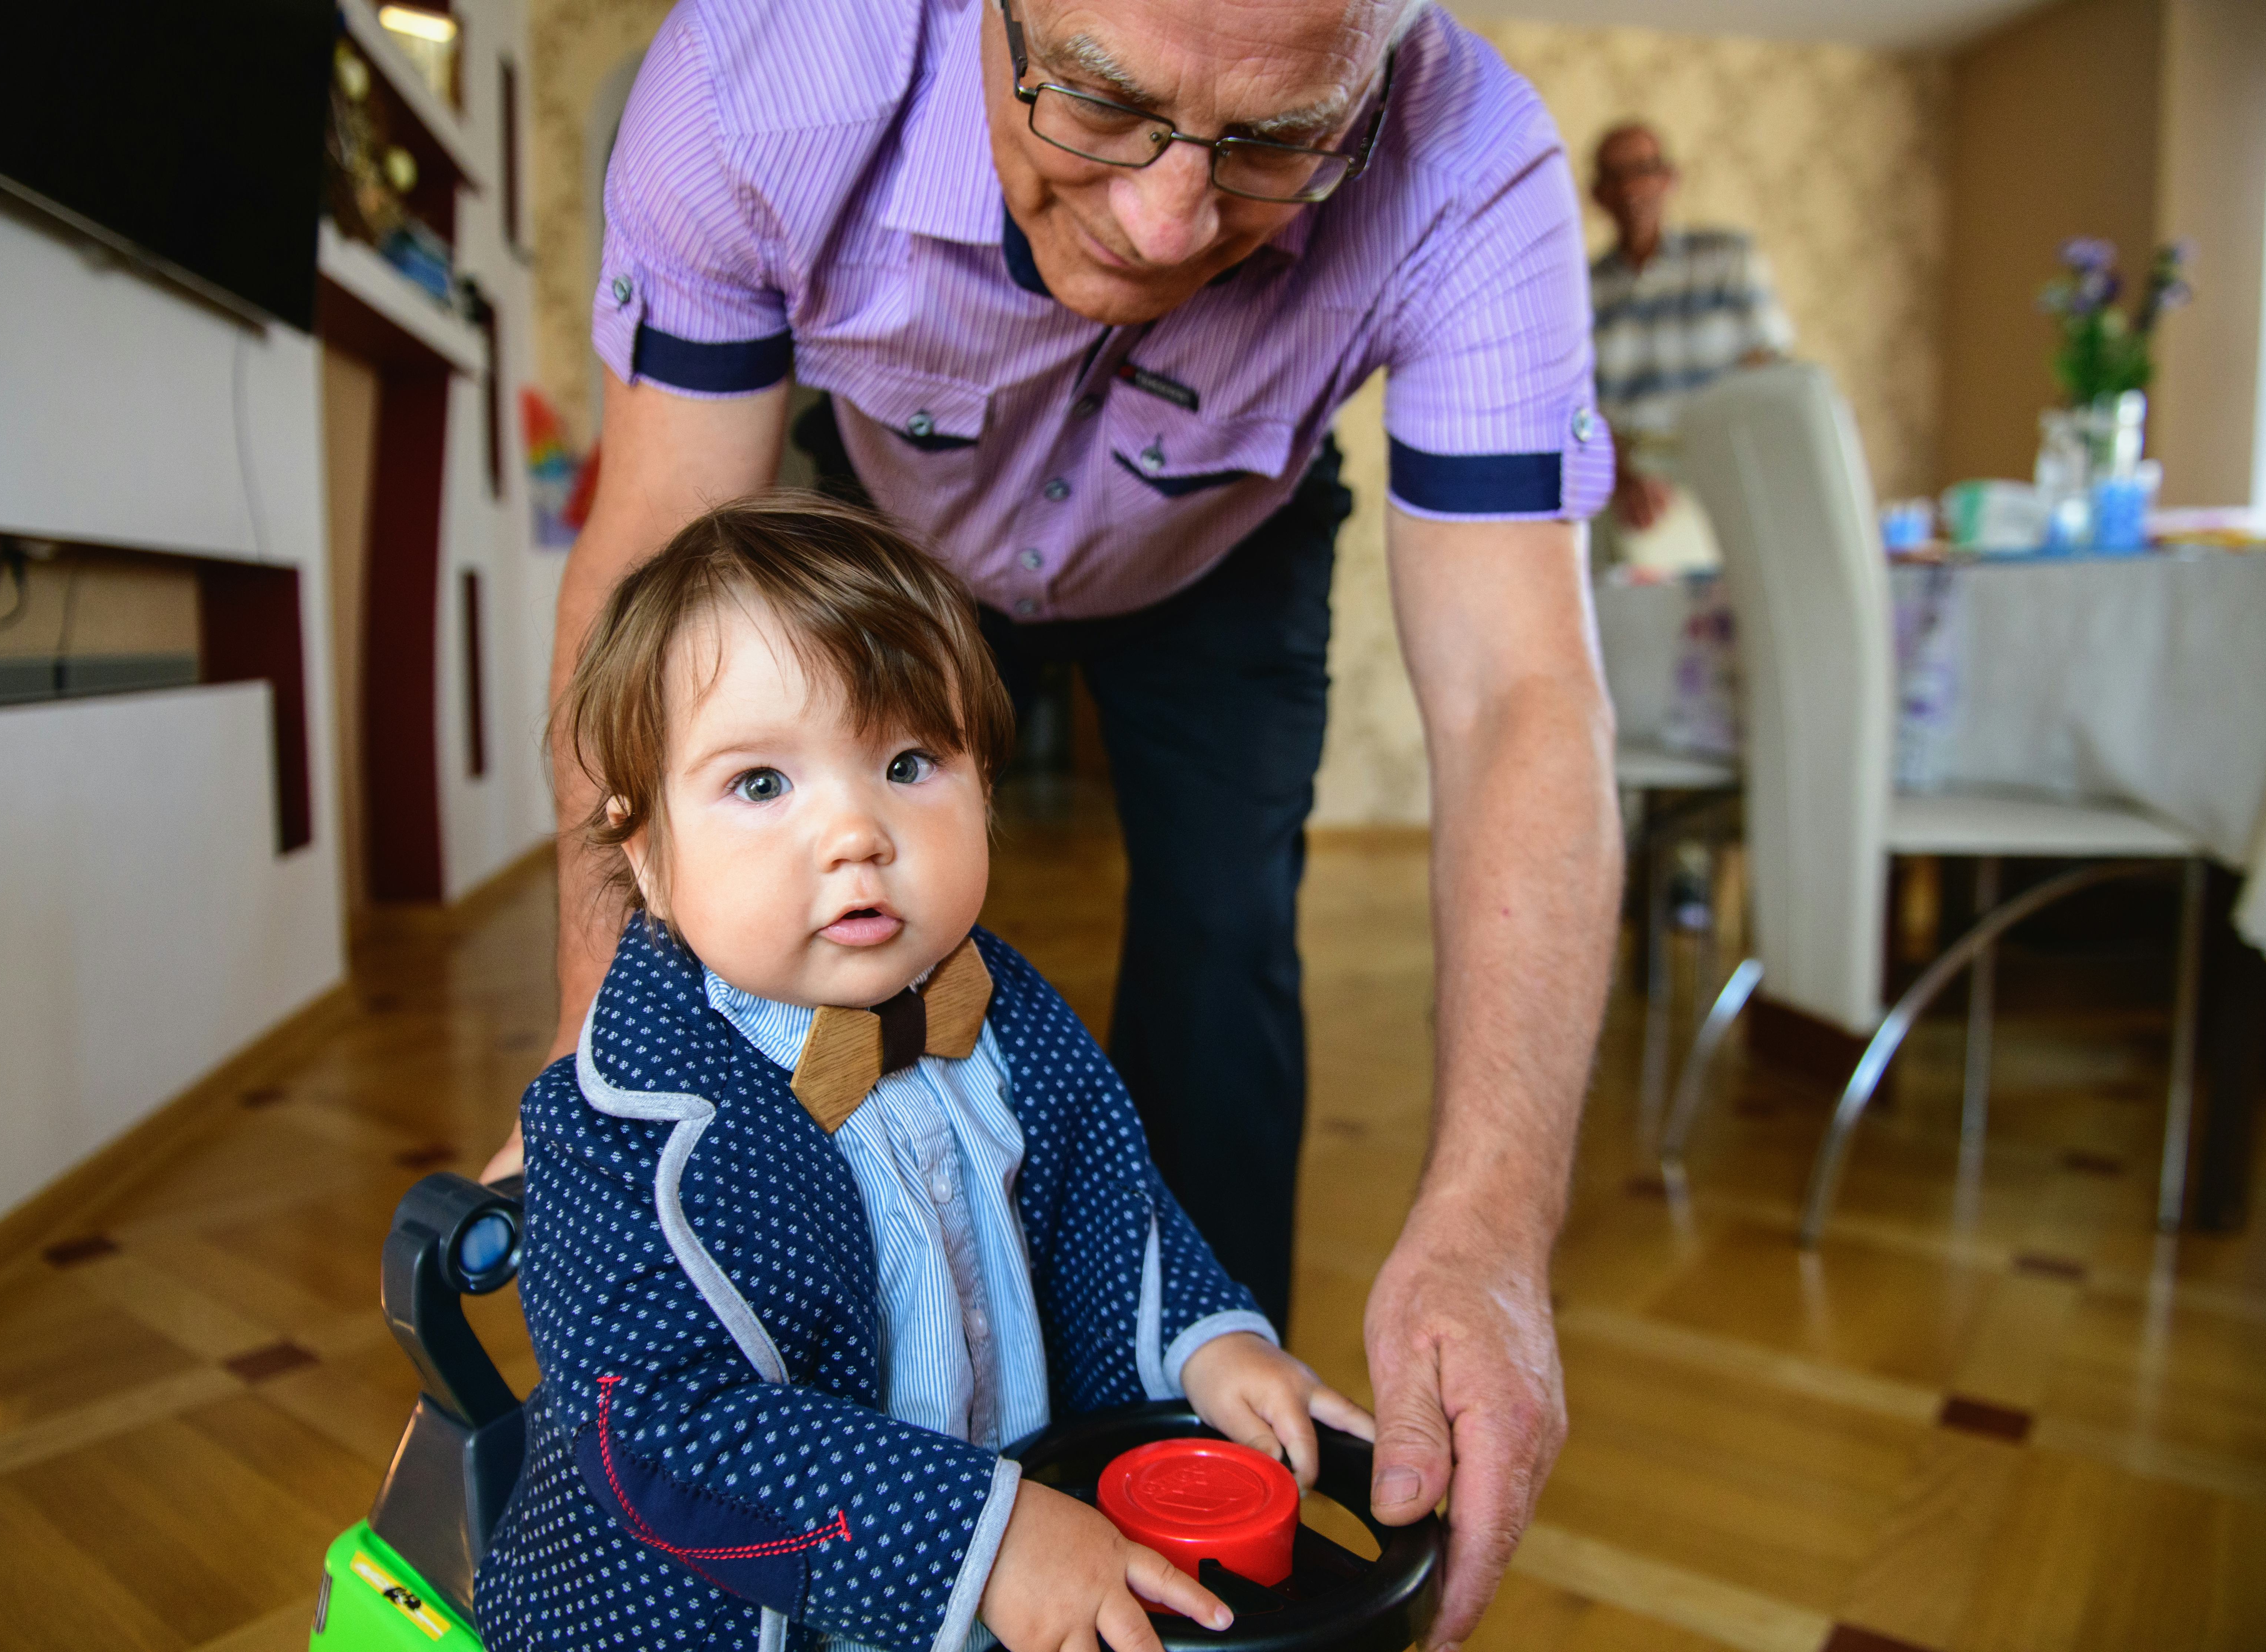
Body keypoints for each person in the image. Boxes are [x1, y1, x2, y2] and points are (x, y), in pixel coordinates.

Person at [487, 0, 1625, 1638]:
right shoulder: (758, 79)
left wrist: (1477, 1239)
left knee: (1226, 942)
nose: (1172, 224)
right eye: (1095, 99)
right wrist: (607, 1042)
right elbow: (653, 587)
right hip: (879, 547)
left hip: (1212, 554)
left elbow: (1526, 694)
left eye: (1280, 140)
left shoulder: (1473, 158)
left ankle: (1179, 1499)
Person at [477, 495, 1375, 1652]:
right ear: (647, 854)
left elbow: (1110, 1201)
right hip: (745, 1605)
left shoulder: (1005, 1004)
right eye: (762, 783)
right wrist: (975, 1536)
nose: (857, 830)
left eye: (909, 761)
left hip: (1018, 1526)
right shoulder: (622, 1126)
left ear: (984, 786)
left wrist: (1208, 1340)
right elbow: (658, 1430)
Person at [1588, 120, 1795, 542]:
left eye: (1642, 170)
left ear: (1669, 179)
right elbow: (1582, 400)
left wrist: (1713, 456)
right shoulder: (1582, 289)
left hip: (1727, 467)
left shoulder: (1727, 259)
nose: (1631, 189)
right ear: (1598, 195)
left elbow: (1766, 367)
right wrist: (1628, 478)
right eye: (1615, 177)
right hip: (1633, 486)